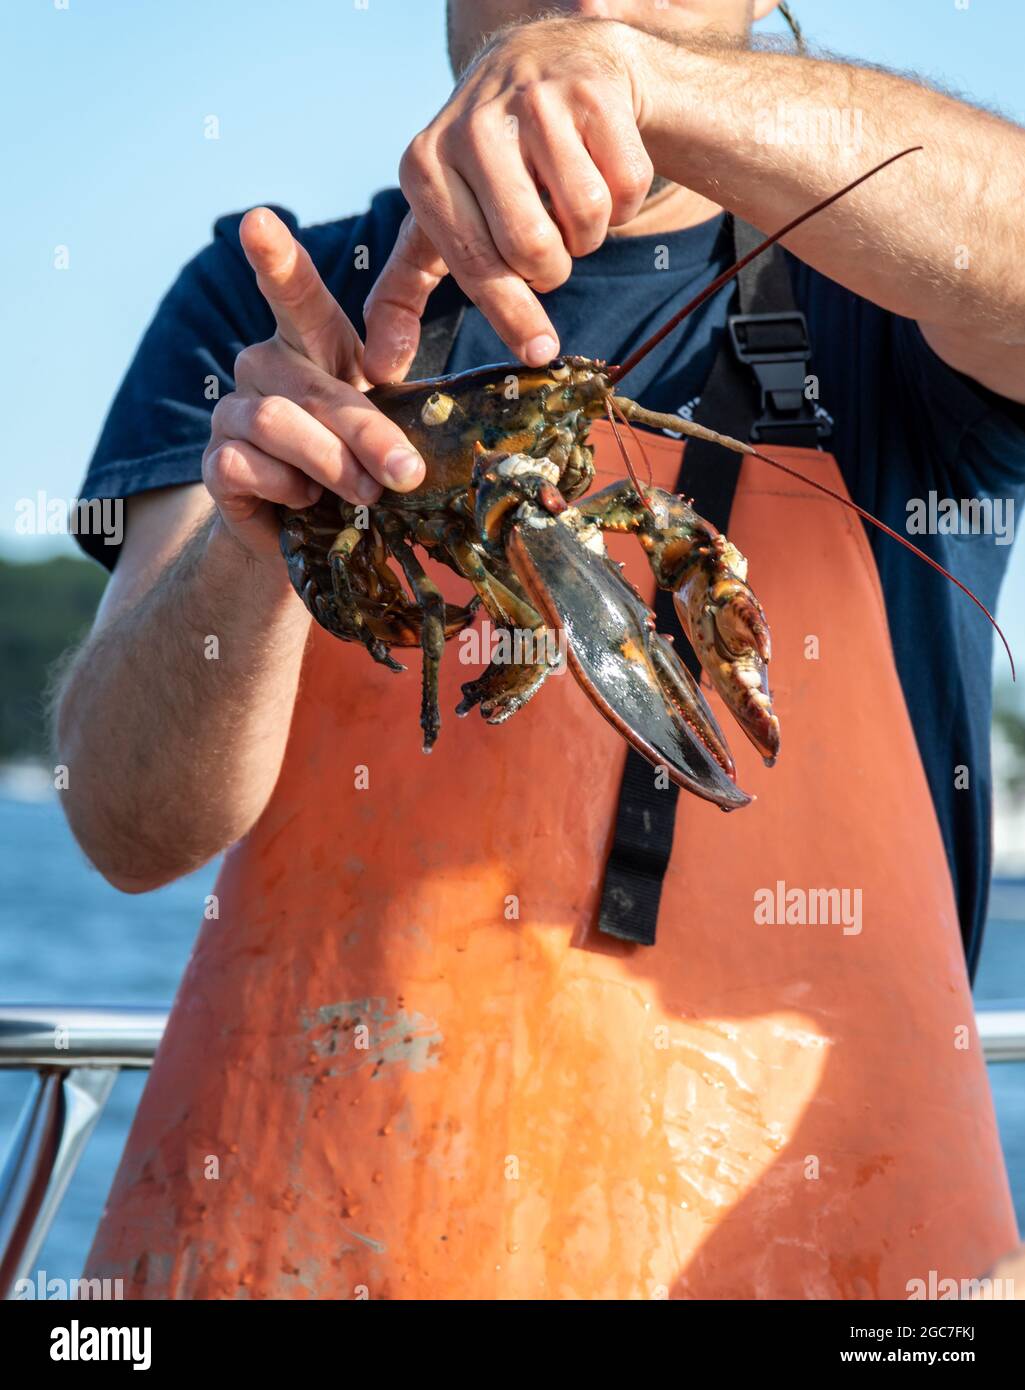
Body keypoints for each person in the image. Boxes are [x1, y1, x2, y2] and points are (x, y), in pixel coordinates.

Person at [56, 0, 1025, 1300]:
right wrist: (253, 541)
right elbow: (124, 826)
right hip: (310, 1233)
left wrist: (645, 83)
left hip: (828, 1253)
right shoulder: (267, 300)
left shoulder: (891, 298)